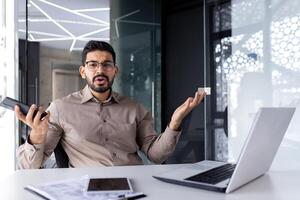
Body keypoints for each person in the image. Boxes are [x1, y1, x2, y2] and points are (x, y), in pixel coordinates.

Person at [16, 40, 206, 169]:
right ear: (83, 71)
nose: (100, 70)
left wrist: (174, 123)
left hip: (136, 185)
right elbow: (28, 167)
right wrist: (36, 138)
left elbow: (156, 155)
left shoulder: (135, 108)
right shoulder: (60, 108)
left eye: (107, 65)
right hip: (87, 189)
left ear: (115, 71)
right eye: (92, 65)